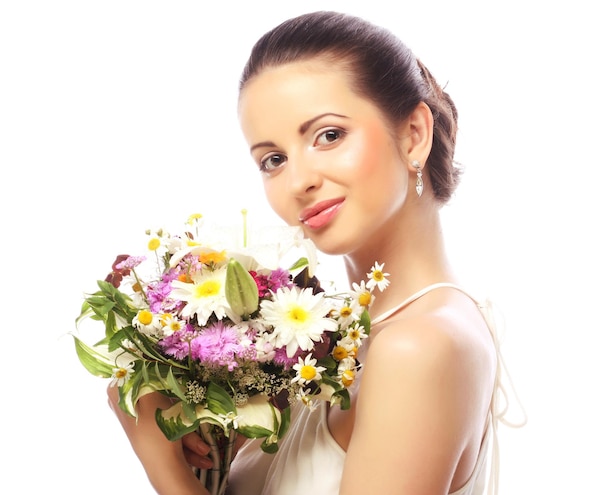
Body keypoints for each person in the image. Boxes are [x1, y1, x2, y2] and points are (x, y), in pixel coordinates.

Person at [108, 10, 523, 495]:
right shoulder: (336, 346)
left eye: (329, 135)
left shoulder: (419, 346)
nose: (299, 181)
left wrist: (164, 468)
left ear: (414, 134)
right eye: (273, 159)